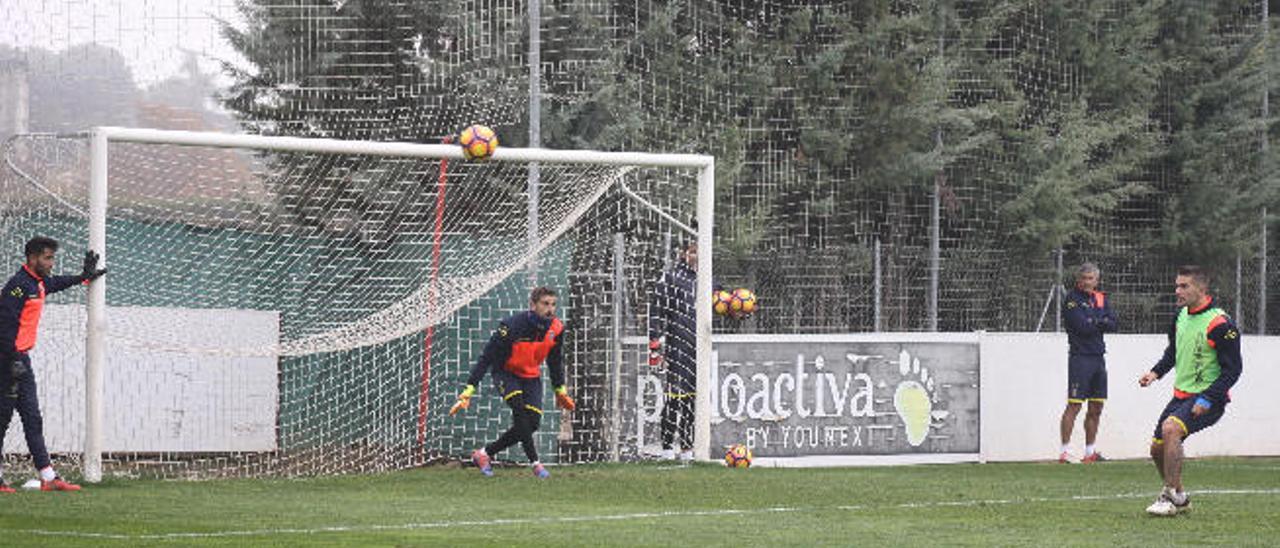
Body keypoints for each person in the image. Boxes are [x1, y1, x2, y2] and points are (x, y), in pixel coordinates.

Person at [0, 236, 106, 493]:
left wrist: (84, 276)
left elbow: (56, 283)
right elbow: (3, 326)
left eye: (52, 258)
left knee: (33, 419)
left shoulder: (38, 283)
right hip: (7, 361)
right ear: (32, 258)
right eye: (47, 258)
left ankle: (48, 477)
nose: (51, 263)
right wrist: (11, 359)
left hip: (21, 362)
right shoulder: (17, 286)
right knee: (2, 419)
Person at [1139, 265, 1242, 516]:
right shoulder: (1180, 316)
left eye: (1184, 286)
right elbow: (1173, 352)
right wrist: (1155, 373)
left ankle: (1168, 496)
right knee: (1156, 448)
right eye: (1177, 285)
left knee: (1171, 428)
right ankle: (1181, 497)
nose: (1178, 291)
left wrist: (1207, 398)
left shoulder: (1220, 324)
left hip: (1210, 399)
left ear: (1202, 288)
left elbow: (1233, 370)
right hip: (1180, 396)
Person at [449, 286, 576, 478]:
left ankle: (484, 454)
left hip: (531, 376)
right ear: (532, 305)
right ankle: (536, 464)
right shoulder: (511, 326)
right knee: (519, 411)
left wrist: (560, 390)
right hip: (506, 373)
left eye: (553, 304)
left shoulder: (557, 328)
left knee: (532, 423)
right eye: (545, 304)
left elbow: (554, 361)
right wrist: (469, 389)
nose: (550, 309)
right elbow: (487, 357)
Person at [1058, 262, 1117, 463]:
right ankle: (1064, 452)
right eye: (1084, 278)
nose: (1086, 282)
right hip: (1080, 358)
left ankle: (1089, 452)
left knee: (1096, 407)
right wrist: (1100, 321)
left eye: (1090, 278)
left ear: (1096, 280)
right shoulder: (1072, 299)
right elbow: (1082, 327)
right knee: (1074, 405)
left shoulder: (1101, 298)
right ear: (1078, 279)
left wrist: (1095, 321)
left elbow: (1114, 323)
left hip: (1098, 358)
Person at [648, 240, 698, 462]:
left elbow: (722, 306)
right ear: (684, 254)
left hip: (701, 350)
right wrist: (655, 346)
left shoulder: (709, 281)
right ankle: (667, 449)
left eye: (700, 252)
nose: (697, 256)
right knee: (675, 398)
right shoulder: (672, 278)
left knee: (694, 401)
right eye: (693, 252)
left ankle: (688, 450)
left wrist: (735, 310)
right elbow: (656, 312)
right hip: (678, 349)